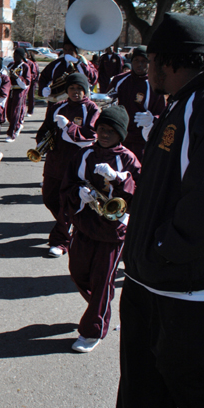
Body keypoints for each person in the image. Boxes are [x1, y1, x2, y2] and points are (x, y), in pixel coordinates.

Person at [103, 13, 204, 408]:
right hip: (156, 276)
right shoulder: (187, 99)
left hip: (190, 282)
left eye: (151, 60)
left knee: (187, 375)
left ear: (171, 62)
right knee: (143, 374)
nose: (146, 69)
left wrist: (163, 248)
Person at [60, 105, 140, 353]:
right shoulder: (84, 154)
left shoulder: (127, 158)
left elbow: (140, 189)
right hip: (85, 225)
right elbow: (67, 184)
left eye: (111, 131)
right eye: (102, 129)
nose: (104, 135)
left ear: (121, 134)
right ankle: (99, 305)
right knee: (78, 272)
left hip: (112, 232)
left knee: (102, 281)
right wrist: (78, 193)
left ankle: (92, 330)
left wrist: (118, 178)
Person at [35, 72, 100, 258]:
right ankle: (71, 223)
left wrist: (69, 126)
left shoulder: (91, 109)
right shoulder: (57, 107)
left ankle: (61, 240)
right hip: (55, 162)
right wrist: (41, 144)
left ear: (85, 90)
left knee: (67, 202)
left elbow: (90, 137)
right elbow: (45, 129)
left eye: (79, 89)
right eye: (72, 88)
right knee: (49, 198)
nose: (75, 92)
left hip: (77, 165)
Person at [106, 46, 166, 161]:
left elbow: (162, 114)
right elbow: (106, 102)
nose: (140, 64)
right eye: (136, 61)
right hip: (118, 138)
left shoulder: (155, 85)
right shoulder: (119, 80)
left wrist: (151, 120)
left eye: (144, 61)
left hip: (141, 141)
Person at [4, 47, 32, 142]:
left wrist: (16, 77)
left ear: (21, 56)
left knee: (15, 113)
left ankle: (12, 133)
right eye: (14, 55)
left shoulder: (25, 67)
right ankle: (18, 125)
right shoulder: (11, 65)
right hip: (10, 91)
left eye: (17, 55)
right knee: (8, 112)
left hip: (19, 92)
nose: (15, 57)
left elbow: (26, 83)